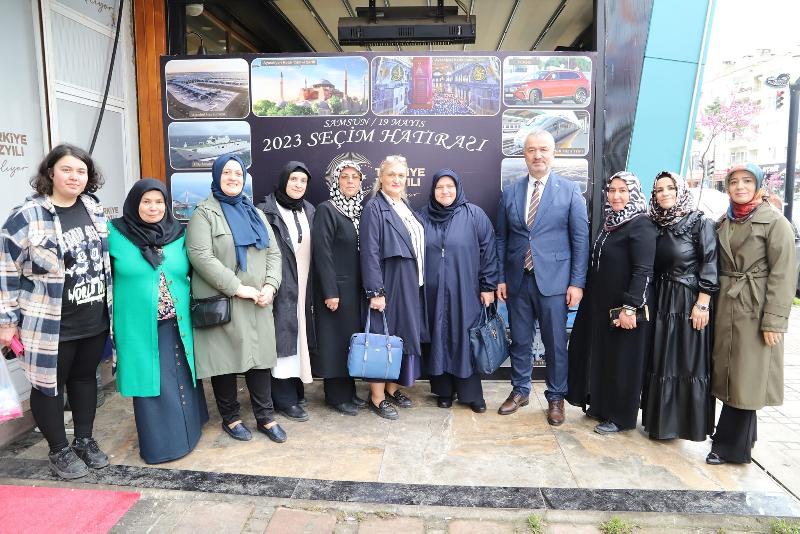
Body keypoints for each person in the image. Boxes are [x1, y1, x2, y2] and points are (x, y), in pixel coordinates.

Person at [0, 144, 112, 479]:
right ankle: (59, 450)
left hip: (93, 316)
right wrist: (6, 322)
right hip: (48, 322)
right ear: (51, 173)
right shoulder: (27, 216)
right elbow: (6, 270)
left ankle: (84, 440)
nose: (74, 177)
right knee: (48, 385)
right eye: (67, 169)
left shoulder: (93, 208)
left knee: (84, 379)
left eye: (81, 171)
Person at [186, 154, 286, 444]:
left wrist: (271, 285)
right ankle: (231, 417)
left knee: (260, 360)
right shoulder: (204, 213)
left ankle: (266, 417)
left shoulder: (255, 213)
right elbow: (200, 256)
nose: (233, 178)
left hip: (258, 300)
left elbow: (274, 253)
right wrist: (237, 288)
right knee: (225, 361)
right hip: (225, 299)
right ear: (216, 176)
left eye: (238, 174)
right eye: (227, 173)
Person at [109, 179, 208, 463]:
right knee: (151, 385)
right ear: (134, 203)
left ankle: (190, 434)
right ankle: (163, 446)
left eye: (159, 202)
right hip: (139, 327)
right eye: (146, 202)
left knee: (182, 378)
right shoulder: (114, 234)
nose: (153, 208)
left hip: (177, 323)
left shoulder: (178, 234)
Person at [495, 129, 589, 424]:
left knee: (555, 343)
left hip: (556, 282)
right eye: (531, 150)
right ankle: (520, 390)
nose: (537, 155)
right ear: (524, 154)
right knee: (520, 340)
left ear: (553, 153)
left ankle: (556, 397)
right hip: (518, 280)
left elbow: (580, 240)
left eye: (543, 149)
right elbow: (502, 238)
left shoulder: (570, 190)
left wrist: (576, 283)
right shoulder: (511, 191)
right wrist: (501, 278)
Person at [707, 163, 795, 464]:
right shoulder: (725, 220)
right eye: (734, 182)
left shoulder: (775, 222)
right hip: (727, 305)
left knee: (747, 377)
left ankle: (730, 448)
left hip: (755, 309)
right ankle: (746, 436)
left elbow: (784, 275)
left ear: (759, 185)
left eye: (747, 181)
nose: (740, 187)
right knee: (731, 374)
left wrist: (774, 321)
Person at [566, 171, 658, 434]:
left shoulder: (641, 225)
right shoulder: (610, 222)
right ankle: (601, 407)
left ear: (633, 193)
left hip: (624, 306)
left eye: (623, 191)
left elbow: (643, 271)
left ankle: (620, 417)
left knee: (623, 360)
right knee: (605, 357)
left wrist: (630, 307)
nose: (616, 196)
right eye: (612, 190)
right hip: (601, 303)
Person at [641, 171, 717, 441]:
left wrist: (703, 304)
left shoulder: (699, 222)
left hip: (687, 301)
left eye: (670, 188)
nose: (664, 193)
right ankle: (661, 425)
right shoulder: (655, 224)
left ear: (680, 190)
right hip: (661, 299)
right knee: (662, 361)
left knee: (686, 362)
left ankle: (685, 426)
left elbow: (710, 263)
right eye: (659, 189)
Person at [419, 169, 498, 413]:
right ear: (433, 190)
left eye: (450, 186)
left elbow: (489, 251)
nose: (445, 191)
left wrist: (488, 286)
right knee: (438, 338)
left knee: (465, 340)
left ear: (458, 188)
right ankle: (444, 391)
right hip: (432, 293)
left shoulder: (474, 215)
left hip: (466, 291)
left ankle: (470, 394)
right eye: (439, 187)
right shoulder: (422, 217)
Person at [360, 155, 426, 420]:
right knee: (382, 338)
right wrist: (375, 291)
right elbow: (369, 252)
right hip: (388, 282)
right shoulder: (374, 207)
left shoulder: (404, 206)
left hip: (409, 283)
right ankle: (376, 398)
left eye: (401, 175)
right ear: (381, 177)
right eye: (391, 174)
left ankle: (391, 388)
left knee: (401, 336)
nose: (396, 179)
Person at [258, 162, 315, 422]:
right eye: (293, 179)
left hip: (304, 283)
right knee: (282, 337)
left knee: (299, 336)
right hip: (280, 283)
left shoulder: (309, 210)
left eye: (303, 181)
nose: (298, 185)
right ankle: (283, 398)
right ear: (284, 181)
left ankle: (295, 388)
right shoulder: (266, 211)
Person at [311, 160, 368, 415]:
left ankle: (349, 391)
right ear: (336, 181)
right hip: (336, 290)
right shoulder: (328, 209)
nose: (350, 181)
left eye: (355, 177)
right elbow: (322, 253)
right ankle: (336, 396)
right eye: (345, 177)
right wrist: (330, 291)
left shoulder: (359, 210)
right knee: (334, 342)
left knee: (349, 340)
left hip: (355, 290)